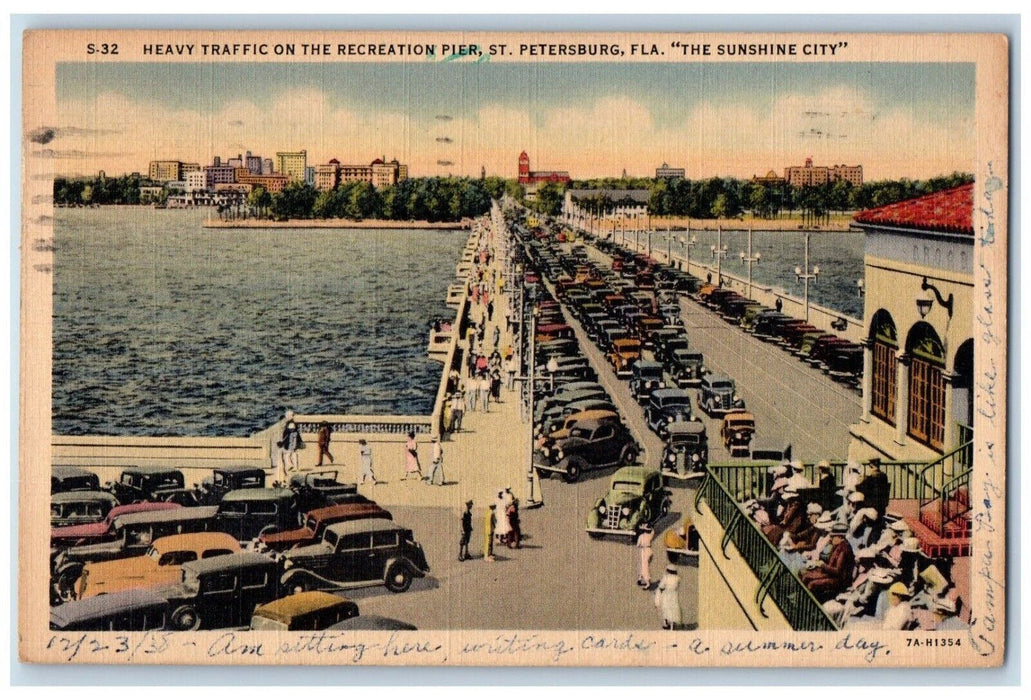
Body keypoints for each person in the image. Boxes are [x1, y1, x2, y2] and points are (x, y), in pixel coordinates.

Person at [801, 522, 856, 602]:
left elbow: (837, 571)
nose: (831, 538)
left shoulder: (844, 549)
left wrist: (822, 565)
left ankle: (807, 603)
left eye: (833, 537)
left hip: (839, 580)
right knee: (805, 575)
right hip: (830, 574)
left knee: (812, 584)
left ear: (840, 537)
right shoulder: (837, 546)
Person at [654, 566, 683, 630]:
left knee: (666, 609)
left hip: (666, 594)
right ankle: (672, 625)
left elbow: (661, 586)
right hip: (674, 595)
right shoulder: (678, 578)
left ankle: (666, 623)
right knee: (673, 609)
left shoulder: (666, 577)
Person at [636, 522, 655, 588]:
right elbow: (653, 531)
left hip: (644, 551)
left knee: (644, 566)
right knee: (645, 564)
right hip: (650, 550)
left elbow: (638, 545)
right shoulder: (650, 536)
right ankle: (640, 578)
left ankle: (647, 583)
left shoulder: (641, 536)